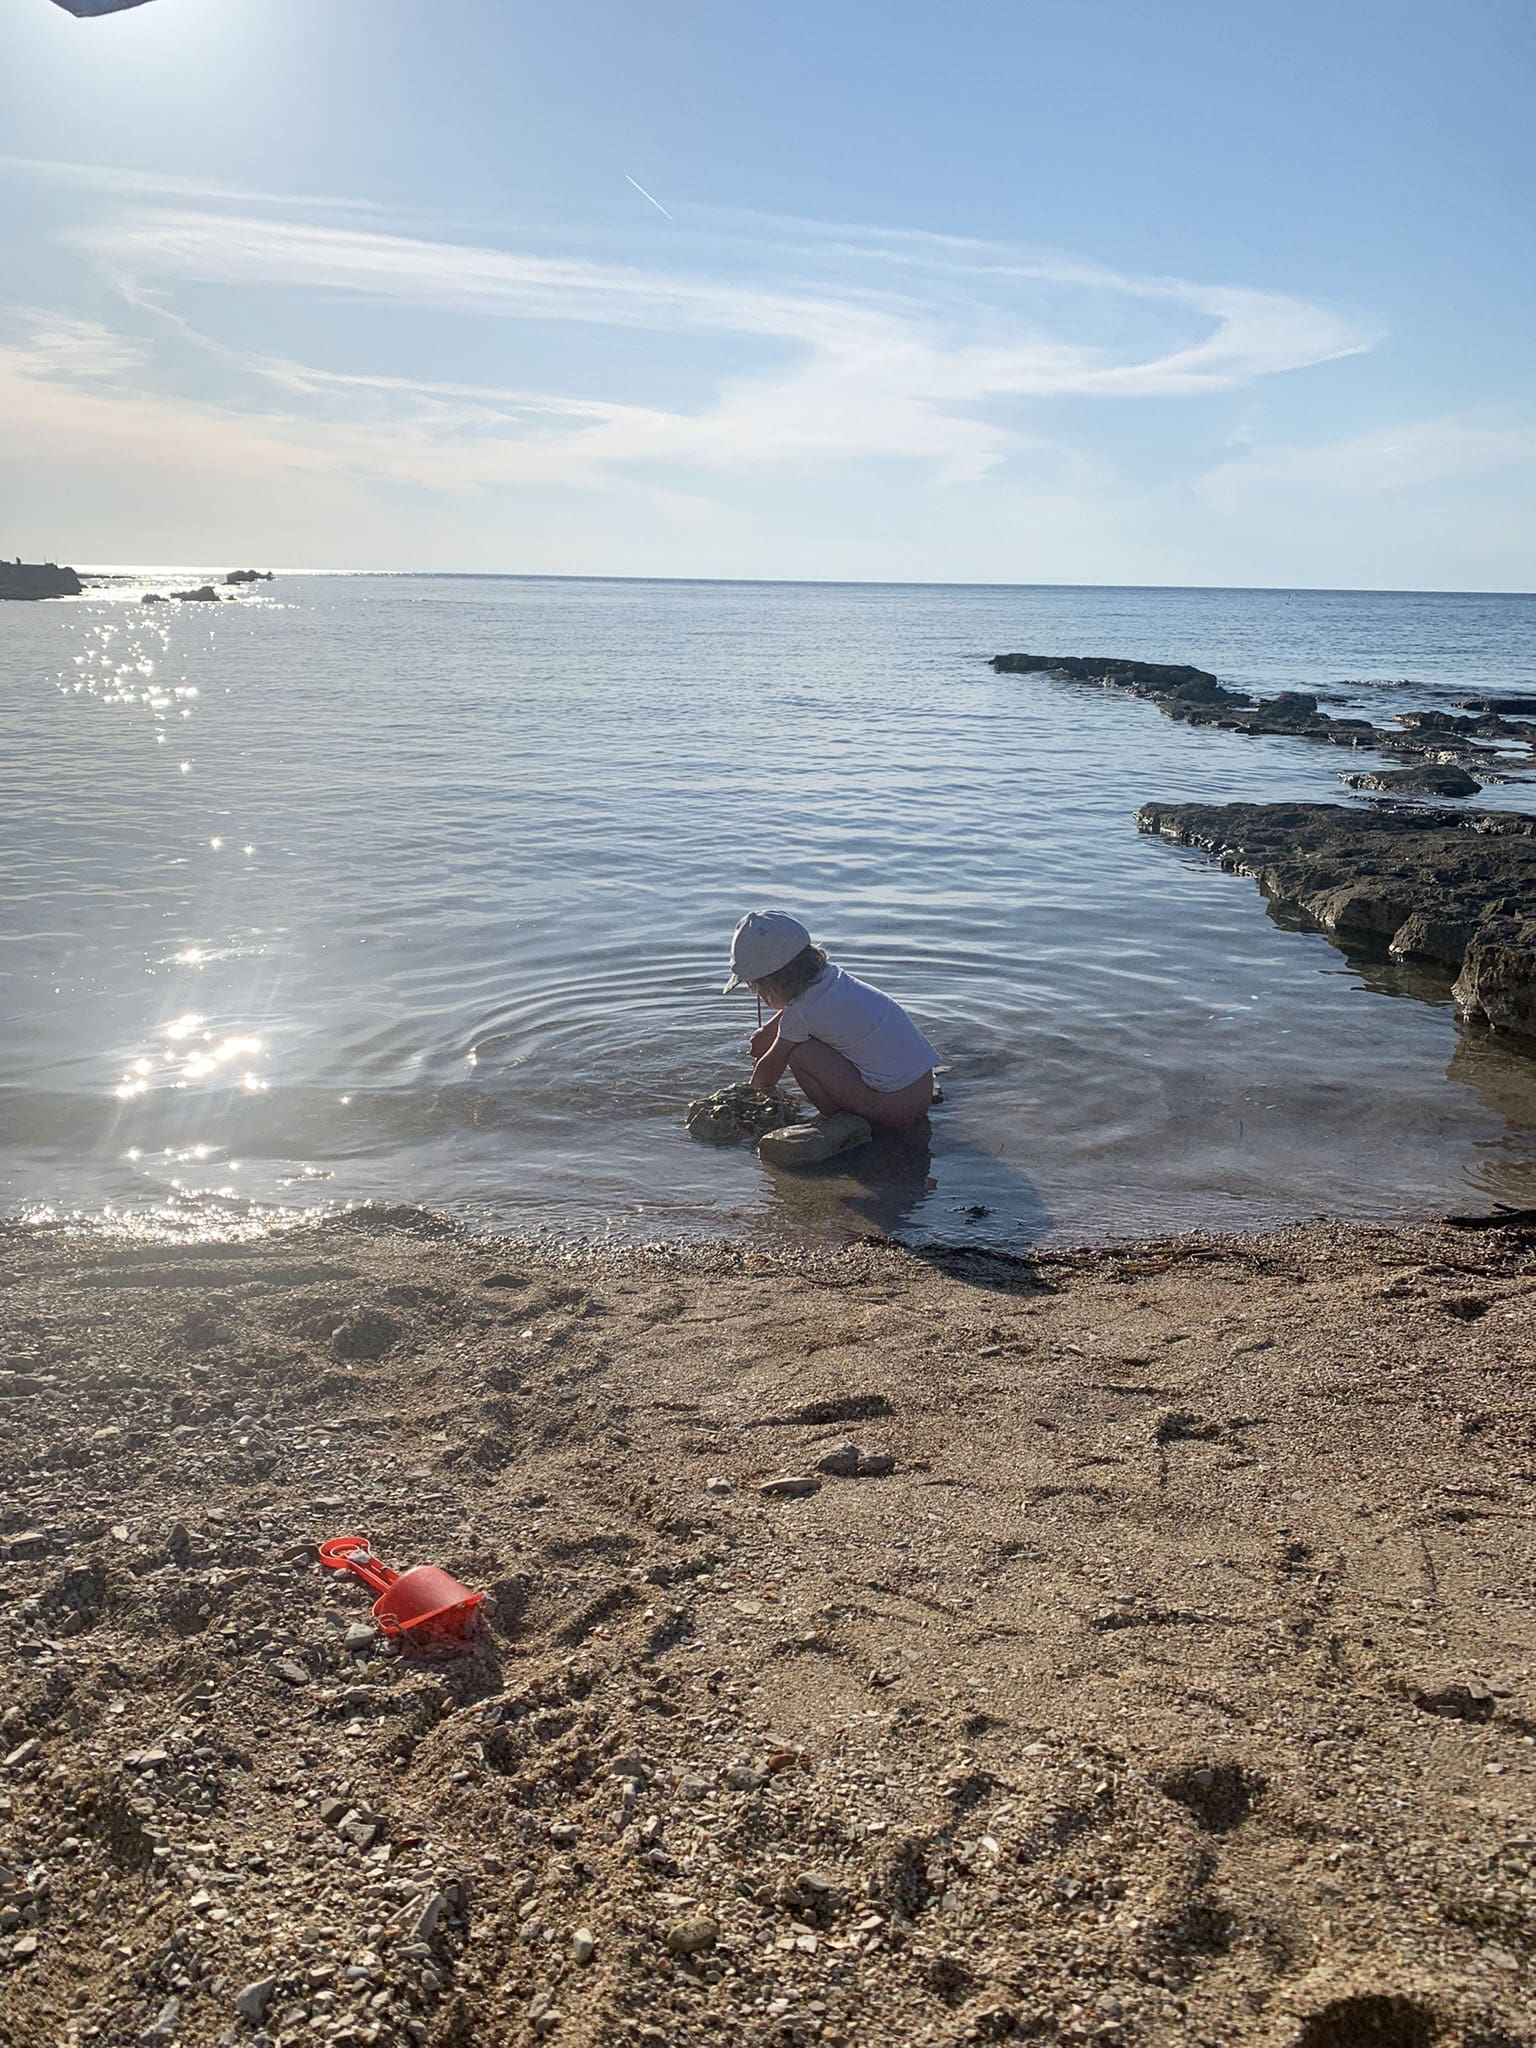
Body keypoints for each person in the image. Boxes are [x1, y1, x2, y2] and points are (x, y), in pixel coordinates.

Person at [724, 911, 938, 1129]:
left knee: (800, 1053)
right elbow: (803, 1010)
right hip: (922, 1091)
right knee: (818, 1039)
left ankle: (836, 1119)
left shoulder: (801, 1015)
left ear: (769, 985)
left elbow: (769, 1070)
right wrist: (768, 1032)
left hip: (894, 1111)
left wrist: (747, 1099)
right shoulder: (831, 978)